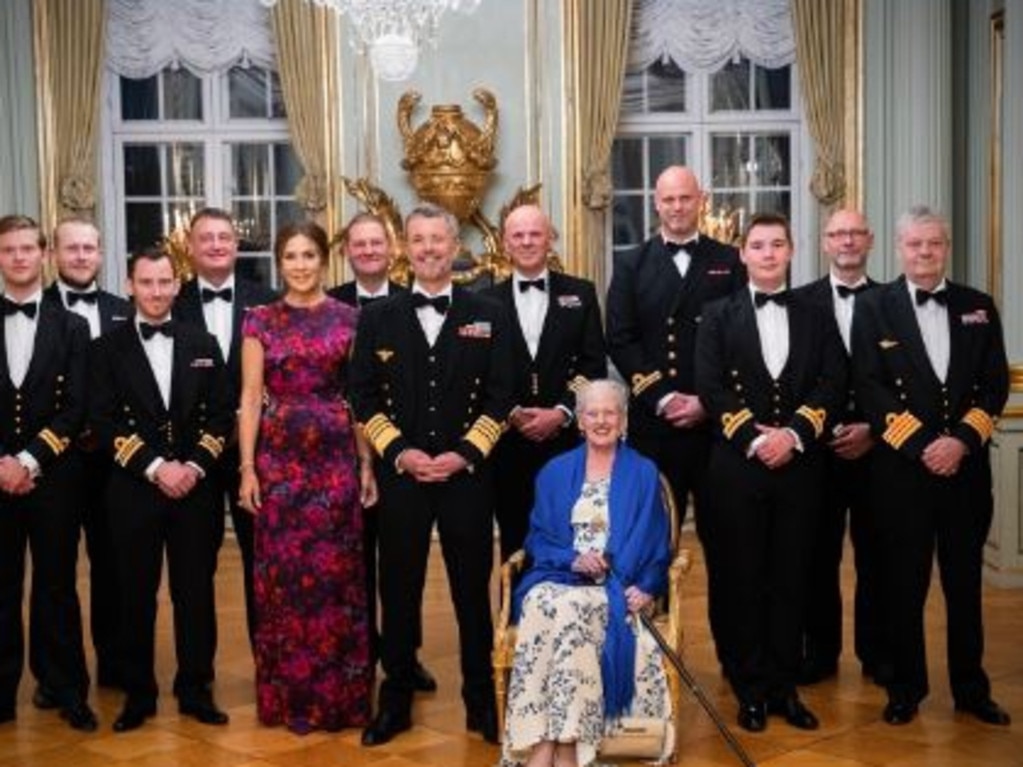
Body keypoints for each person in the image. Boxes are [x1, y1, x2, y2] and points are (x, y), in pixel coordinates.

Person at [349, 203, 513, 746]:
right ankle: (394, 700)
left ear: (454, 244)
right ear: (404, 248)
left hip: (467, 476)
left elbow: (500, 395)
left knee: (472, 593)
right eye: (417, 241)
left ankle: (480, 701)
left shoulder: (489, 311)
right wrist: (399, 452)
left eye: (437, 240)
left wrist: (466, 453)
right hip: (404, 476)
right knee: (398, 591)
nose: (427, 249)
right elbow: (363, 396)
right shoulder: (377, 317)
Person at [851, 205, 1010, 727]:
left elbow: (994, 386)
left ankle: (970, 689)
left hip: (965, 473)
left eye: (934, 244)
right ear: (899, 248)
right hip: (902, 475)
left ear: (946, 247)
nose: (925, 252)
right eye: (916, 244)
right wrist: (922, 445)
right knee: (905, 584)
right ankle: (906, 687)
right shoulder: (874, 307)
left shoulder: (978, 306)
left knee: (964, 585)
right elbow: (869, 388)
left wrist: (961, 441)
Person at [694, 213, 847, 733]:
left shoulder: (816, 313)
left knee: (792, 579)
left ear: (791, 250)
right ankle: (750, 688)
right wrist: (757, 439)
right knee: (742, 579)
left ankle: (785, 688)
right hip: (737, 468)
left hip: (801, 468)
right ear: (742, 254)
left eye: (776, 244)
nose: (767, 253)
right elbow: (710, 386)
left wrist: (795, 434)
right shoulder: (717, 314)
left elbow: (832, 381)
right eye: (757, 245)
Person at [237, 221, 375, 733]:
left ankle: (341, 698)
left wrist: (366, 463)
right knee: (284, 583)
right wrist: (247, 467)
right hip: (279, 464)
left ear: (324, 260)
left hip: (335, 461)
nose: (300, 264)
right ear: (279, 262)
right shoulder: (259, 321)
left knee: (338, 578)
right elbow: (250, 398)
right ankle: (288, 698)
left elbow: (359, 397)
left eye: (309, 255)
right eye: (290, 256)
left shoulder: (351, 318)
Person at [89, 248, 233, 732]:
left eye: (164, 282)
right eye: (145, 282)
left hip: (196, 488)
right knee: (135, 594)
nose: (155, 291)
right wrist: (155, 468)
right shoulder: (105, 348)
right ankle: (139, 694)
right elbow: (102, 421)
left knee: (196, 593)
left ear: (177, 285)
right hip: (133, 490)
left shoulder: (204, 341)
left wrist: (192, 466)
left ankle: (195, 688)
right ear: (130, 285)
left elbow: (220, 414)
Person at [502, 379, 673, 767]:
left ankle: (555, 746)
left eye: (610, 412)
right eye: (592, 413)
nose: (601, 420)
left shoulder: (643, 472)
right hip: (560, 576)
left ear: (624, 419)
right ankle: (554, 742)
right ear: (579, 421)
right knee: (541, 601)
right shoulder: (555, 471)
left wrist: (646, 586)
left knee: (570, 610)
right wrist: (572, 559)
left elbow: (656, 542)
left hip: (615, 585)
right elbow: (538, 539)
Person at [326, 212, 435, 694]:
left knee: (399, 563)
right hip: (335, 454)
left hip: (395, 454)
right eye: (359, 244)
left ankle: (402, 657)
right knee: (352, 562)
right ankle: (359, 653)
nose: (368, 251)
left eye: (376, 243)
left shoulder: (415, 300)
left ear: (392, 249)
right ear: (346, 251)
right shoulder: (328, 304)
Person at [606, 165, 745, 531]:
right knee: (652, 538)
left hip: (716, 424)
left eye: (685, 198)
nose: (678, 206)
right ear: (656, 204)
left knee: (725, 537)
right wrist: (664, 398)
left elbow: (741, 340)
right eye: (669, 199)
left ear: (700, 201)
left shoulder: (729, 261)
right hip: (655, 424)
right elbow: (620, 338)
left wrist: (706, 400)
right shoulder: (630, 264)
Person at [0, 214, 94, 731]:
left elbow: (76, 407)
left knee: (57, 586)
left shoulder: (72, 326)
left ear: (44, 255)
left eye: (26, 249)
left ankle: (64, 688)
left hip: (55, 477)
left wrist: (29, 459)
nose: (18, 257)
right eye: (8, 250)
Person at [37, 217, 132, 700]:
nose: (80, 256)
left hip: (114, 461)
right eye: (71, 248)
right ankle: (56, 677)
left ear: (100, 254)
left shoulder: (122, 310)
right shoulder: (38, 307)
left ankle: (115, 664)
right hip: (56, 461)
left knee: (113, 565)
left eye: (89, 248)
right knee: (54, 572)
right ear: (53, 254)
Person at [174, 207, 276, 649]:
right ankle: (196, 677)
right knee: (194, 568)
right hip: (192, 454)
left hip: (256, 454)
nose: (216, 245)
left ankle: (268, 666)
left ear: (236, 245)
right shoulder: (170, 303)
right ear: (190, 248)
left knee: (263, 564)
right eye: (206, 238)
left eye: (224, 237)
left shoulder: (269, 301)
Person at [792, 209, 887, 685]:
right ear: (825, 243)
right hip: (818, 448)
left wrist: (874, 427)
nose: (847, 241)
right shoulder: (799, 301)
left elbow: (902, 379)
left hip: (879, 448)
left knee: (878, 555)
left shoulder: (893, 300)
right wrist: (816, 428)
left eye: (855, 233)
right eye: (837, 234)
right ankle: (820, 653)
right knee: (816, 555)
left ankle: (877, 655)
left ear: (868, 240)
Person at [483, 204, 607, 561]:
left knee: (572, 534)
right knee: (514, 539)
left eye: (535, 234)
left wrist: (563, 411)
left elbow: (593, 363)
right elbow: (482, 371)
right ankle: (516, 616)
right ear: (504, 243)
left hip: (566, 440)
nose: (526, 242)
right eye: (518, 236)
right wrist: (512, 412)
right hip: (508, 443)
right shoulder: (484, 301)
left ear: (550, 239)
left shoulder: (581, 293)